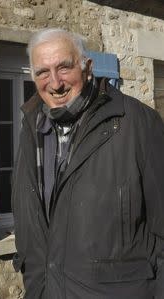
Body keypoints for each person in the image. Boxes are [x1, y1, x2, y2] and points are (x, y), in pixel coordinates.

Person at [11, 28, 164, 298]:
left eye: (64, 67)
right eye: (42, 72)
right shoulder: (30, 128)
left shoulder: (137, 122)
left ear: (87, 67)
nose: (55, 83)